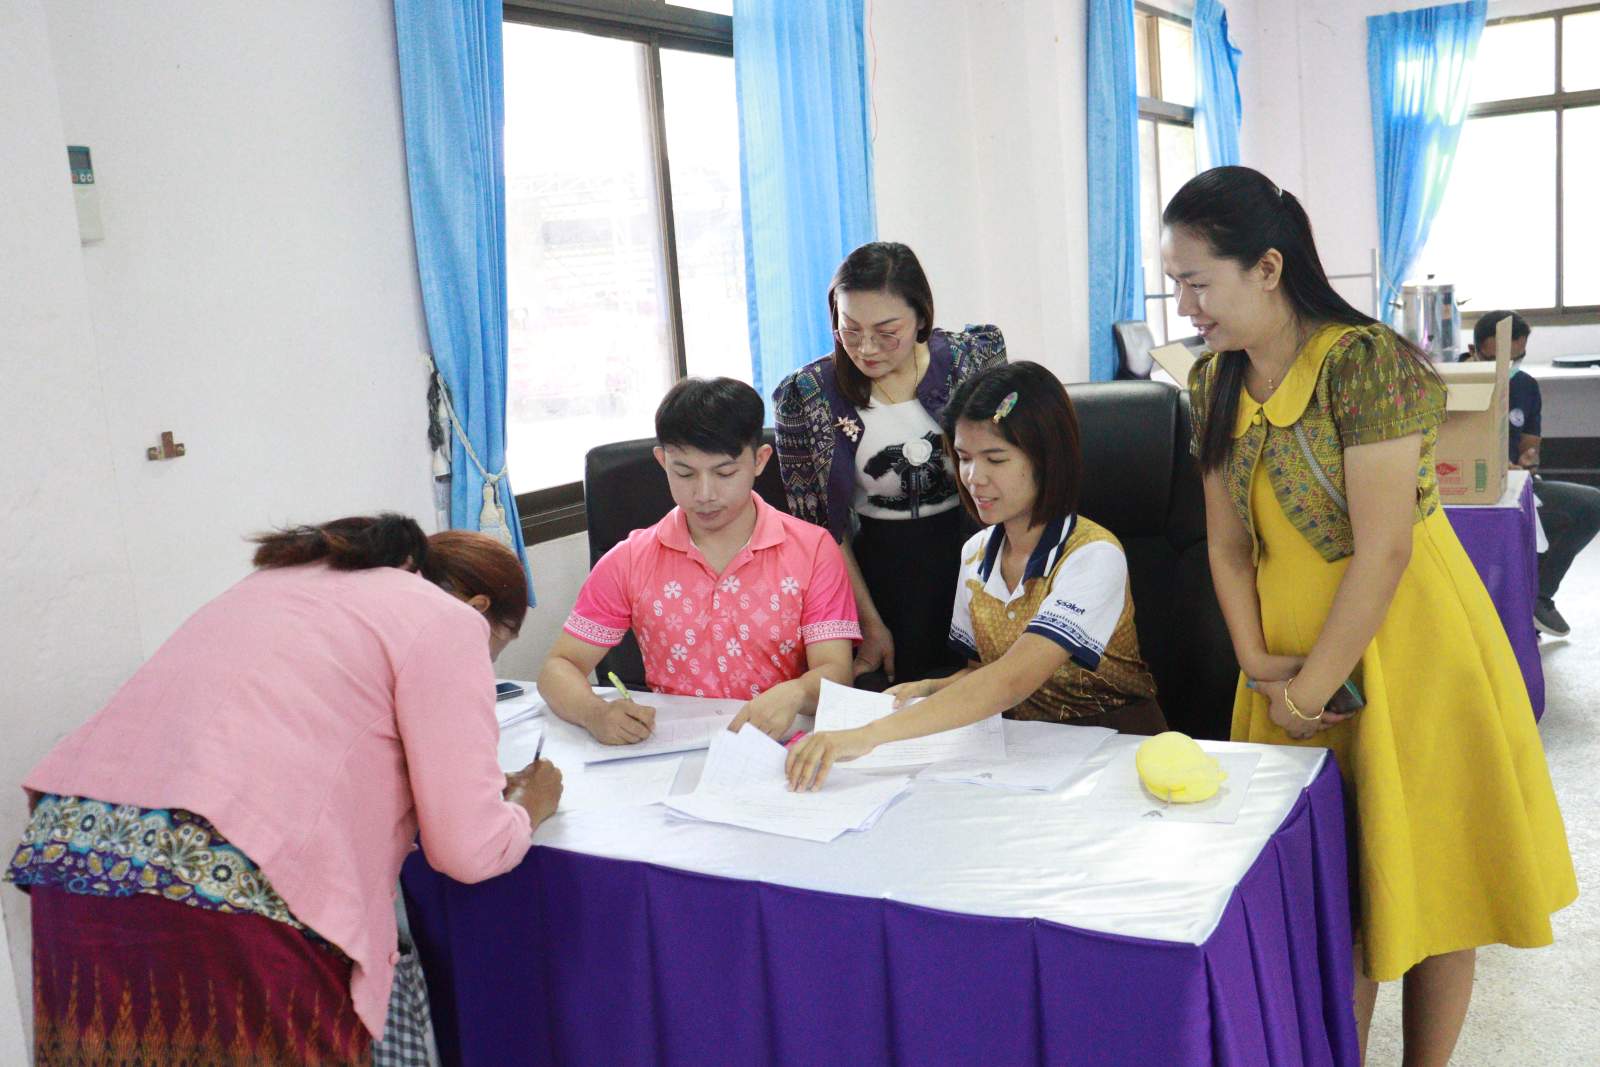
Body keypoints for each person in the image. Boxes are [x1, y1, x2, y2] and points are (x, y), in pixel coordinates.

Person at [1166, 166, 1575, 1064]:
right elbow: (1227, 547)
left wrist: (1310, 691)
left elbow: (1384, 548)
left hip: (1408, 645)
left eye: (1197, 282)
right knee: (1326, 897)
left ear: (1267, 267)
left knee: (1437, 884)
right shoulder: (1212, 382)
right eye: (1176, 285)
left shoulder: (1363, 362)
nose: (1186, 306)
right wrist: (1259, 662)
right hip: (1286, 662)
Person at [5, 516, 561, 1065]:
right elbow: (468, 849)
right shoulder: (447, 619)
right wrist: (528, 805)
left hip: (75, 849)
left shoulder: (273, 584)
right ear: (480, 609)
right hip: (225, 871)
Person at [785, 361, 1167, 790]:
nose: (973, 478)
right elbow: (982, 672)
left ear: (1047, 459)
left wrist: (868, 736)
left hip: (1116, 749)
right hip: (1027, 752)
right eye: (964, 458)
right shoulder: (976, 553)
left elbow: (1010, 679)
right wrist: (932, 688)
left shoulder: (1093, 555)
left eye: (995, 459)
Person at [539, 376, 860, 744]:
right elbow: (559, 666)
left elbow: (836, 671)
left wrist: (798, 691)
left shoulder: (812, 550)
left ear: (759, 460)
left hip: (779, 744)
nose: (704, 494)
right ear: (662, 461)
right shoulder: (630, 559)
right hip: (670, 748)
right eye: (684, 473)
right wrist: (594, 712)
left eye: (724, 473)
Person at [772, 241, 1006, 686]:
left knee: (982, 690)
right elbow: (820, 529)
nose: (866, 348)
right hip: (877, 575)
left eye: (887, 331)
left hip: (975, 552)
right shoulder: (808, 395)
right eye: (849, 329)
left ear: (921, 317)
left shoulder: (970, 362)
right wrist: (869, 623)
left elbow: (1011, 469)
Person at [1467, 310, 1600, 637]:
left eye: (1517, 358)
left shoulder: (1525, 387)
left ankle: (1538, 597)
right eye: (1498, 359)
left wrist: (1528, 460)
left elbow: (1530, 445)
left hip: (1516, 486)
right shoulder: (1455, 381)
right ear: (1476, 350)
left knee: (1590, 505)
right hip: (1471, 491)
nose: (1508, 367)